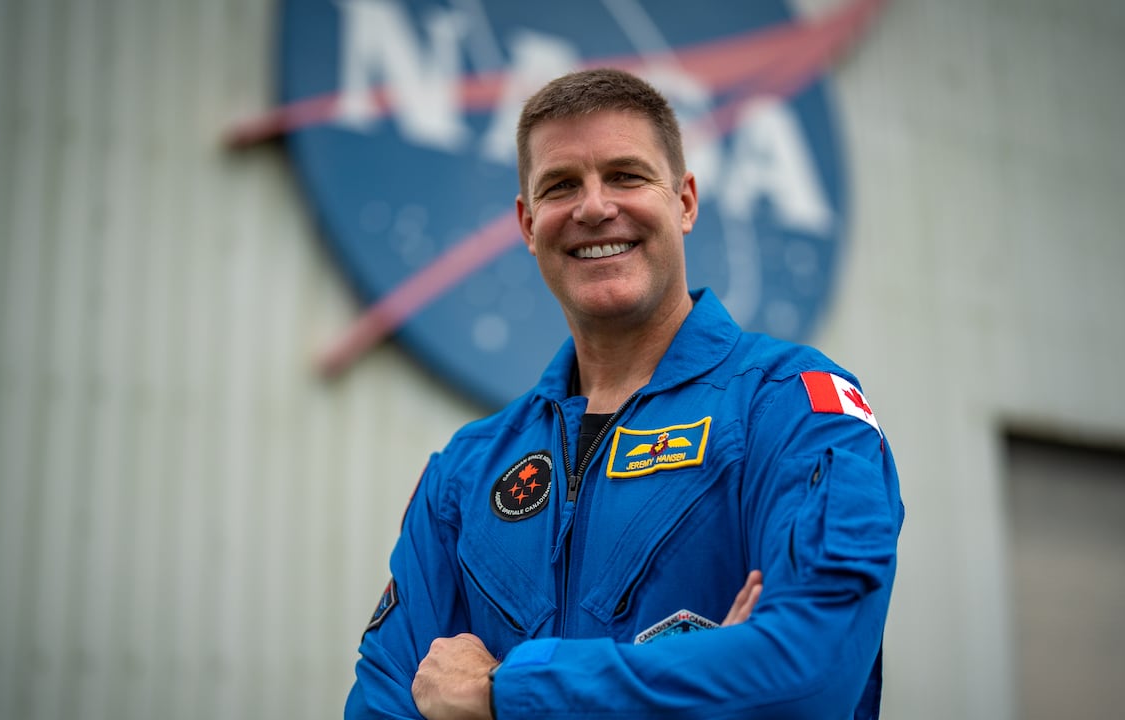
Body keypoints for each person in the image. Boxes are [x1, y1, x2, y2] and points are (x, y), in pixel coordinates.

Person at [345, 68, 904, 720]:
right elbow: (384, 706)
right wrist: (707, 676)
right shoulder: (464, 475)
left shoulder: (794, 408)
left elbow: (804, 676)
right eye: (560, 186)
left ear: (686, 201)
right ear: (528, 225)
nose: (592, 207)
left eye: (626, 176)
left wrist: (504, 693)